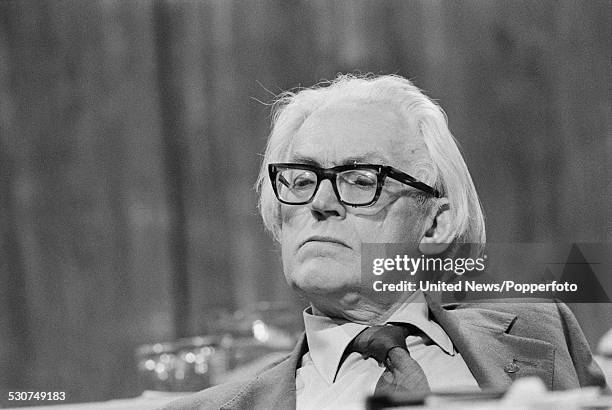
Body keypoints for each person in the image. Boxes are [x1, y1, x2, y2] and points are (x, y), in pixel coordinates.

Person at [162, 74, 607, 410]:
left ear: (435, 223)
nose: (320, 202)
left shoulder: (545, 331)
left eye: (359, 179)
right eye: (300, 179)